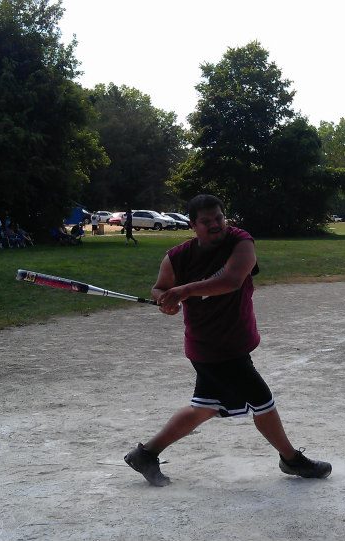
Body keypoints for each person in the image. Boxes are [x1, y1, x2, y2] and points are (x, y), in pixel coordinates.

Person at [123, 194, 331, 487]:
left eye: (219, 218)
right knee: (262, 401)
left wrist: (183, 291)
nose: (215, 225)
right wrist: (165, 300)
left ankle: (145, 454)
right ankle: (292, 459)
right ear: (193, 225)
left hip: (233, 341)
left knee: (204, 407)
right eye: (206, 222)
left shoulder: (241, 242)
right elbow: (159, 288)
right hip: (210, 346)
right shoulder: (177, 257)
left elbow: (232, 280)